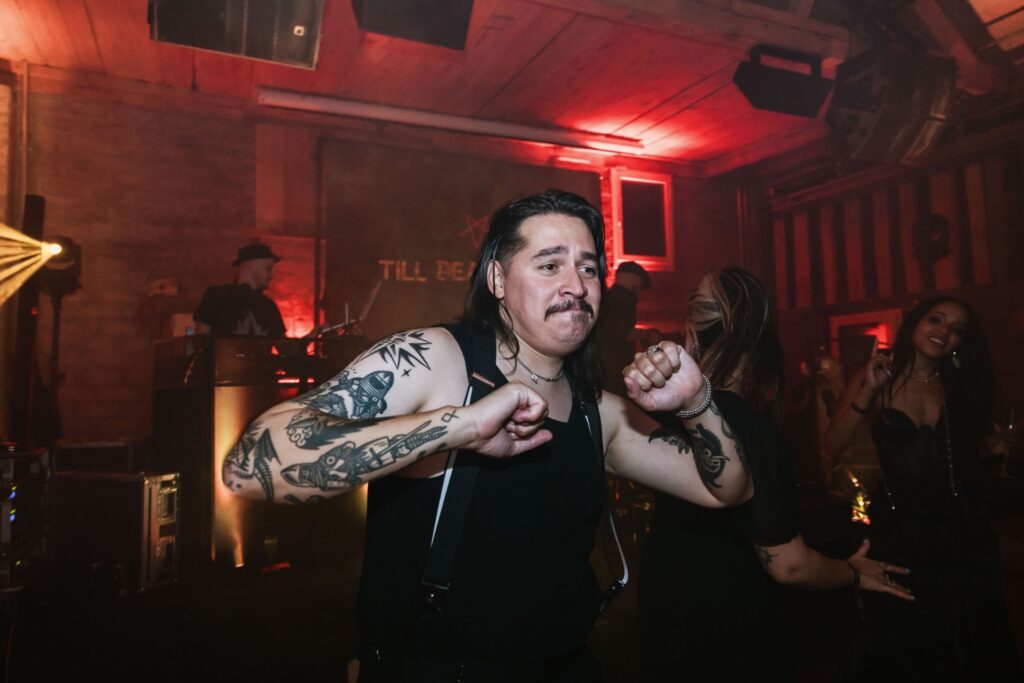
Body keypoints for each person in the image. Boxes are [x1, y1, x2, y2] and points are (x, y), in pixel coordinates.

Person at [222, 190, 753, 682]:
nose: (576, 286)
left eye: (588, 268)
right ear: (497, 280)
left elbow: (726, 489)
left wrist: (696, 404)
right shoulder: (435, 360)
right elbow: (249, 465)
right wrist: (459, 425)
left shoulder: (599, 413)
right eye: (549, 265)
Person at [632, 267, 912, 683]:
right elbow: (789, 566)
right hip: (727, 630)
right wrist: (851, 572)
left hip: (668, 611)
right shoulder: (750, 430)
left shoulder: (680, 418)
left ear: (696, 330)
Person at [825, 296, 1021, 681]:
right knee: (898, 635)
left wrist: (991, 448)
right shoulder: (877, 378)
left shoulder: (957, 385)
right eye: (936, 319)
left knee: (962, 634)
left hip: (959, 528)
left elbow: (957, 456)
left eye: (956, 329)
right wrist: (867, 393)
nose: (944, 331)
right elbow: (831, 446)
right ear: (914, 323)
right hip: (898, 529)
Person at [194, 242, 286, 337]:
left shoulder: (269, 307)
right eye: (268, 269)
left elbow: (287, 347)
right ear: (253, 266)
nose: (272, 275)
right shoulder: (216, 297)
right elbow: (200, 342)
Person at [596, 261, 653, 395]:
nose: (639, 289)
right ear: (634, 279)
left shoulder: (607, 297)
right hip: (615, 368)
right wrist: (648, 335)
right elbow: (622, 332)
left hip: (604, 368)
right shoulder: (625, 299)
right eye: (640, 284)